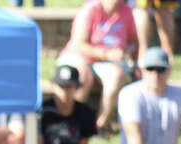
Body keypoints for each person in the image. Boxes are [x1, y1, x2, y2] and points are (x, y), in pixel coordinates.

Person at [58, 0, 139, 132]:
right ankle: (71, 122)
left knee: (117, 76)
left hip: (108, 64)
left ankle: (100, 125)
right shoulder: (90, 9)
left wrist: (132, 59)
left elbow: (134, 42)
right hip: (80, 57)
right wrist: (106, 54)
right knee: (82, 76)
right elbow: (78, 44)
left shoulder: (126, 11)